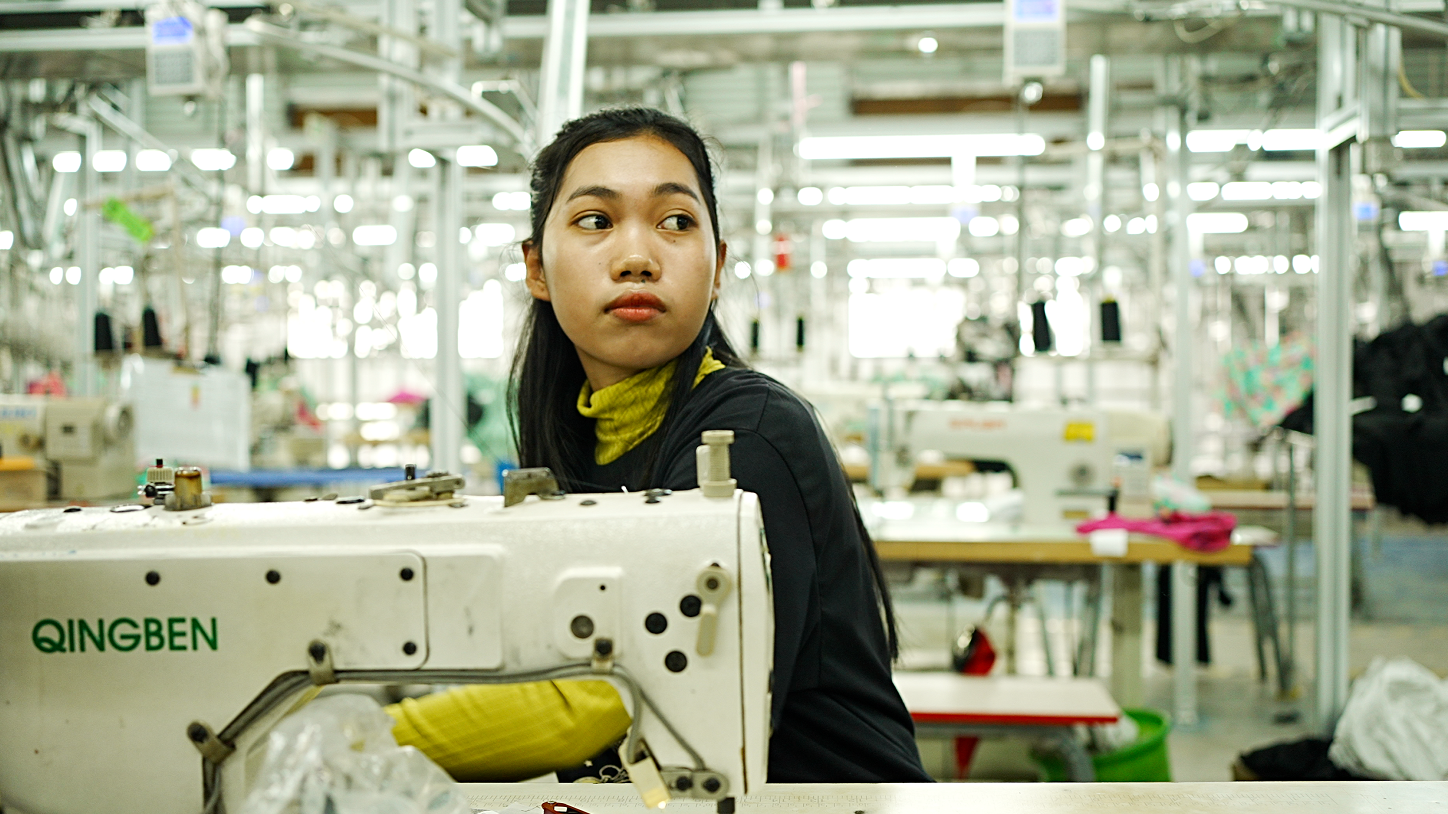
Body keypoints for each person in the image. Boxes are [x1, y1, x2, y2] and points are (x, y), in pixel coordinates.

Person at [388, 107, 929, 784]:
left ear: (718, 264)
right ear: (537, 268)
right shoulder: (576, 438)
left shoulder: (751, 434)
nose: (638, 257)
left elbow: (613, 698)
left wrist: (363, 740)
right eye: (597, 222)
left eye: (676, 222)